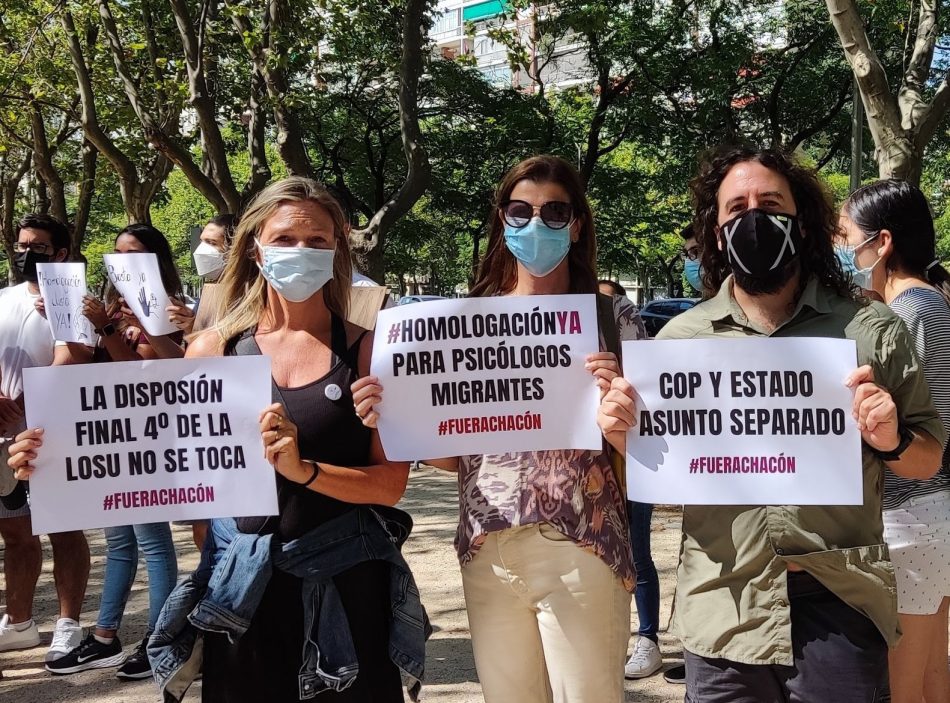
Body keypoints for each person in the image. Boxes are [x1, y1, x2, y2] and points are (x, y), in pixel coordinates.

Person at [598, 145, 945, 703]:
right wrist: (625, 437)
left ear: (800, 220)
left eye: (770, 203)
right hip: (722, 602)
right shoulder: (681, 343)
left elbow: (927, 459)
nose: (753, 218)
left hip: (841, 600)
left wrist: (893, 438)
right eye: (736, 208)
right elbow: (664, 485)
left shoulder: (868, 328)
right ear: (716, 231)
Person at [354, 155, 645, 703]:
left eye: (555, 211)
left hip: (581, 545)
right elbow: (452, 459)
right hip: (486, 547)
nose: (537, 224)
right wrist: (393, 420)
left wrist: (619, 407)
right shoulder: (464, 325)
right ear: (502, 220)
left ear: (577, 224)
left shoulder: (613, 321)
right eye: (521, 210)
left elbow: (651, 447)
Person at [143, 176, 423, 701]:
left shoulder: (369, 352)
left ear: (337, 249)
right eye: (286, 238)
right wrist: (54, 461)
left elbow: (389, 486)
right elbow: (166, 465)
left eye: (317, 240)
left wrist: (304, 471)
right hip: (243, 599)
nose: (302, 251)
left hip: (347, 586)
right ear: (255, 246)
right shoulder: (213, 349)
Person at [34, 223, 184, 679]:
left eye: (134, 253)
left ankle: (160, 641)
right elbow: (82, 362)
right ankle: (104, 637)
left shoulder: (171, 308)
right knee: (119, 540)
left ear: (156, 259)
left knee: (153, 542)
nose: (123, 262)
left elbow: (154, 367)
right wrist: (67, 323)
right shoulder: (108, 306)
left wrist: (109, 328)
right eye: (117, 253)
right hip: (110, 437)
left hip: (150, 438)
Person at [838, 179, 950, 703]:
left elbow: (912, 432)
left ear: (880, 244)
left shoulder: (902, 317)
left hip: (908, 517)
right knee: (931, 676)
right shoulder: (935, 305)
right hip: (932, 519)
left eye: (844, 237)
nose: (839, 251)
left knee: (900, 686)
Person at [0, 214, 90, 662]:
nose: (24, 254)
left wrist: (35, 400)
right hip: (3, 438)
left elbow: (75, 358)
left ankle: (68, 625)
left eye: (36, 247)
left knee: (63, 529)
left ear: (59, 254)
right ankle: (19, 622)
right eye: (19, 246)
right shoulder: (3, 298)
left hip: (51, 436)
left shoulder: (74, 299)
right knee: (15, 533)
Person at [191, 214, 236, 335]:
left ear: (235, 248)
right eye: (202, 241)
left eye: (211, 242)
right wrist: (189, 325)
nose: (201, 250)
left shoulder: (253, 296)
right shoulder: (209, 293)